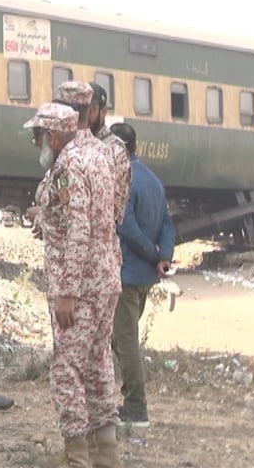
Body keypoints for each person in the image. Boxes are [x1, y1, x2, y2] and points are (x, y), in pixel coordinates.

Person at [23, 102, 122, 468]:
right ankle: (106, 456)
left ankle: (78, 458)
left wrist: (67, 292)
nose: (37, 145)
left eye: (38, 138)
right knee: (98, 365)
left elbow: (79, 229)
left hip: (80, 286)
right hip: (106, 278)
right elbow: (106, 216)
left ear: (51, 136)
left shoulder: (67, 166)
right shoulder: (98, 156)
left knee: (67, 370)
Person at [109, 122, 175, 428]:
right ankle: (118, 400)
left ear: (119, 148)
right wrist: (163, 257)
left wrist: (151, 253)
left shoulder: (124, 180)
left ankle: (136, 409)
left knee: (126, 343)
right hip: (145, 277)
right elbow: (167, 224)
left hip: (125, 274)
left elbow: (127, 227)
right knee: (118, 339)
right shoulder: (154, 180)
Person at [88, 81, 132, 225]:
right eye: (82, 109)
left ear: (103, 112)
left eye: (91, 109)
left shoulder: (115, 150)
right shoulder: (75, 146)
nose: (85, 115)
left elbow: (115, 208)